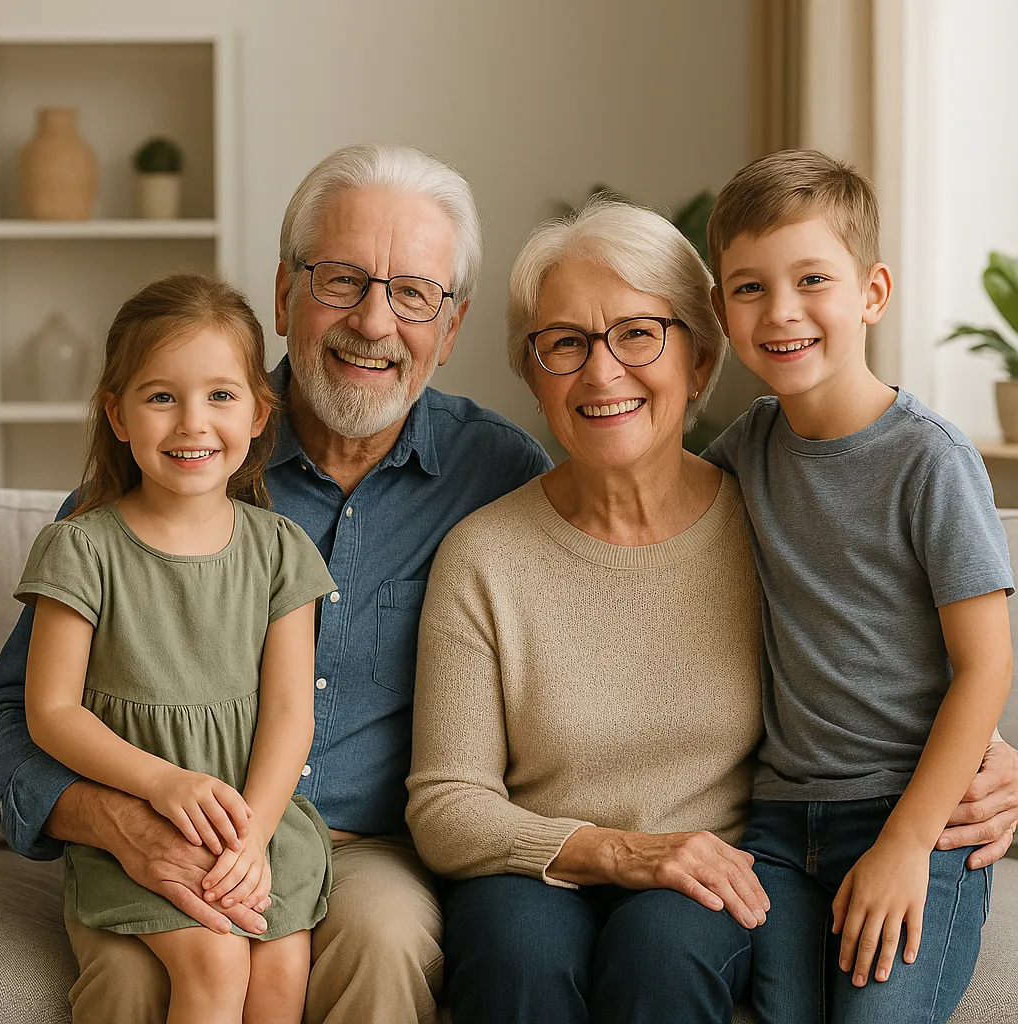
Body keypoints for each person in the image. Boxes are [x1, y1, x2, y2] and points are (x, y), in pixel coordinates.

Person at [405, 198, 1018, 1024]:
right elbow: (445, 804)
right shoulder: (482, 553)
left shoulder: (764, 508)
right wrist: (616, 853)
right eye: (564, 343)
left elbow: (889, 638)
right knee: (518, 951)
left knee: (665, 950)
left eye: (638, 332)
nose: (601, 372)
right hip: (540, 866)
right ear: (532, 371)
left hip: (716, 865)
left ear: (699, 363)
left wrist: (990, 752)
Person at [0, 143, 551, 1024]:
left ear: (450, 326)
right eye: (342, 279)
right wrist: (119, 821)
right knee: (135, 979)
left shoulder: (501, 475)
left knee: (383, 942)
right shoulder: (157, 481)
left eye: (412, 292)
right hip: (159, 818)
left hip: (373, 848)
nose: (373, 321)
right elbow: (13, 714)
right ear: (286, 294)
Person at [703, 149, 1014, 1024]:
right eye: (749, 288)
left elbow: (985, 669)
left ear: (873, 293)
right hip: (774, 822)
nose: (782, 311)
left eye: (812, 279)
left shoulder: (931, 460)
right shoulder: (745, 449)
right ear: (722, 308)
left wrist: (908, 843)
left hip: (911, 813)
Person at [18, 273, 335, 1024]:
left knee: (282, 959)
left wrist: (253, 838)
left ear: (260, 413)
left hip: (255, 822)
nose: (192, 422)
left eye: (220, 396)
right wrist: (161, 785)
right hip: (145, 820)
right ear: (117, 415)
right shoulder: (81, 548)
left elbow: (292, 712)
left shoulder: (281, 549)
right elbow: (51, 711)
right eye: (161, 396)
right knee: (215, 955)